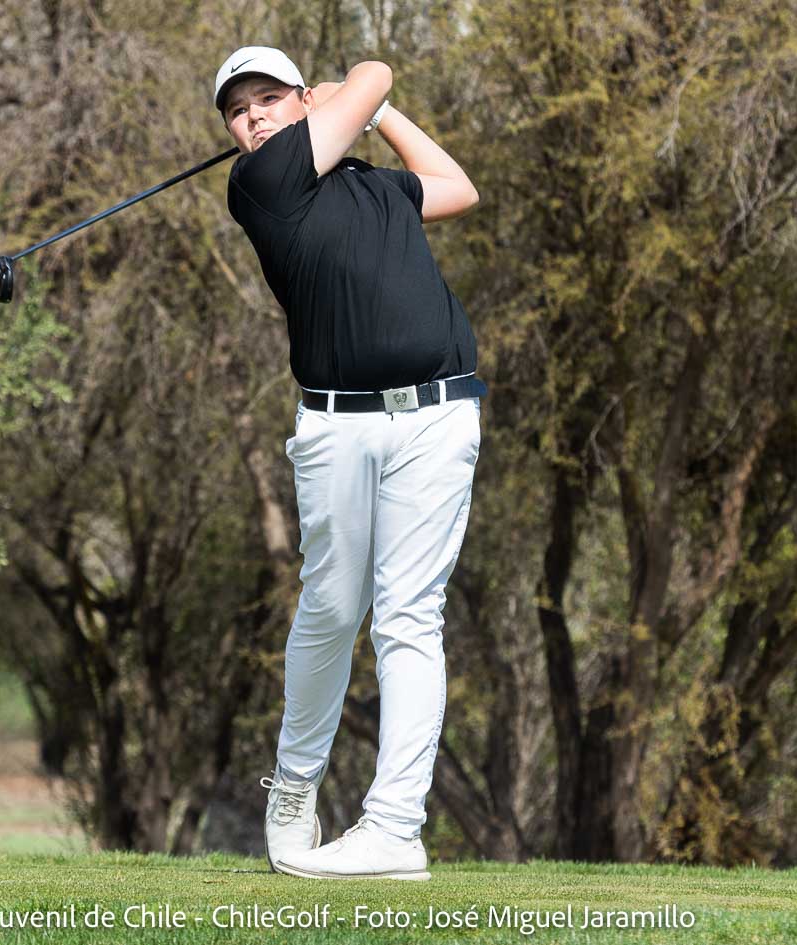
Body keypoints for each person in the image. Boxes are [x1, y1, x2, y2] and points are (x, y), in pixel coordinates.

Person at [214, 46, 484, 881]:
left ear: (300, 103)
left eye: (267, 99)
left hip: (438, 414)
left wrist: (377, 118)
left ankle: (394, 828)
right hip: (336, 427)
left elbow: (456, 188)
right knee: (331, 610)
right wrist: (352, 93)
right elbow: (375, 68)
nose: (252, 117)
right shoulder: (260, 183)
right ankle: (295, 785)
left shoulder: (371, 186)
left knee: (409, 617)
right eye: (237, 110)